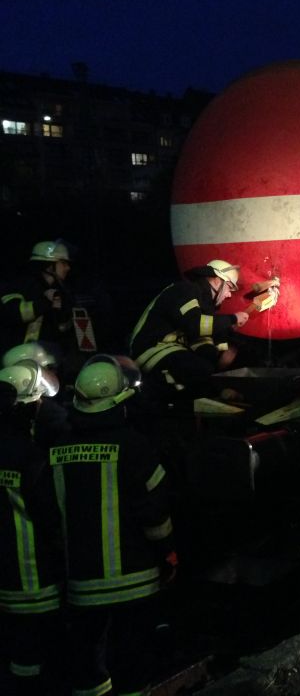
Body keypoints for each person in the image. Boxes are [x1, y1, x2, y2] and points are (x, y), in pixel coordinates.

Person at [54, 354, 176, 696]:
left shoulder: (56, 450)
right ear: (120, 402)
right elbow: (156, 513)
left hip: (80, 583)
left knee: (89, 665)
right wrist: (166, 553)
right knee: (132, 665)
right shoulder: (135, 447)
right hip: (135, 582)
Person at [0, 360, 64, 696]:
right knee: (37, 656)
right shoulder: (30, 456)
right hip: (32, 577)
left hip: (7, 574)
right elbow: (50, 515)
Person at [128, 259, 251, 403]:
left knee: (203, 370)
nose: (229, 294)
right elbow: (194, 325)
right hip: (151, 350)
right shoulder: (185, 290)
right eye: (229, 287)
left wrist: (218, 356)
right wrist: (233, 318)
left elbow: (200, 341)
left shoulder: (201, 304)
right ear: (217, 281)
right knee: (196, 371)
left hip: (166, 350)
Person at [1, 240, 74, 356]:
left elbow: (62, 329)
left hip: (48, 355)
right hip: (17, 354)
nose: (68, 268)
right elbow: (14, 313)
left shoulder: (61, 292)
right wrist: (45, 302)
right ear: (50, 266)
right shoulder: (21, 285)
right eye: (63, 263)